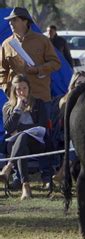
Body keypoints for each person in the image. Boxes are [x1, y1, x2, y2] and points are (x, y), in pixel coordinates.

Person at [0, 7, 61, 189]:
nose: (11, 23)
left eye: (14, 20)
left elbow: (56, 63)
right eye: (10, 21)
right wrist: (6, 88)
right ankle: (20, 177)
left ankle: (46, 176)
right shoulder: (6, 44)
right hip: (17, 100)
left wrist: (38, 69)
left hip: (41, 98)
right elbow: (1, 71)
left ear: (25, 21)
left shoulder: (42, 41)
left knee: (43, 138)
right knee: (16, 136)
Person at [1, 74, 48, 200]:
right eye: (18, 89)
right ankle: (25, 186)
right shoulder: (7, 107)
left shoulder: (38, 103)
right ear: (14, 91)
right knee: (22, 143)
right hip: (15, 145)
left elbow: (42, 125)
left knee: (22, 136)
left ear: (29, 89)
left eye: (24, 88)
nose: (21, 91)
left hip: (36, 142)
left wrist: (20, 129)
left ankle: (9, 167)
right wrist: (17, 109)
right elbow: (8, 129)